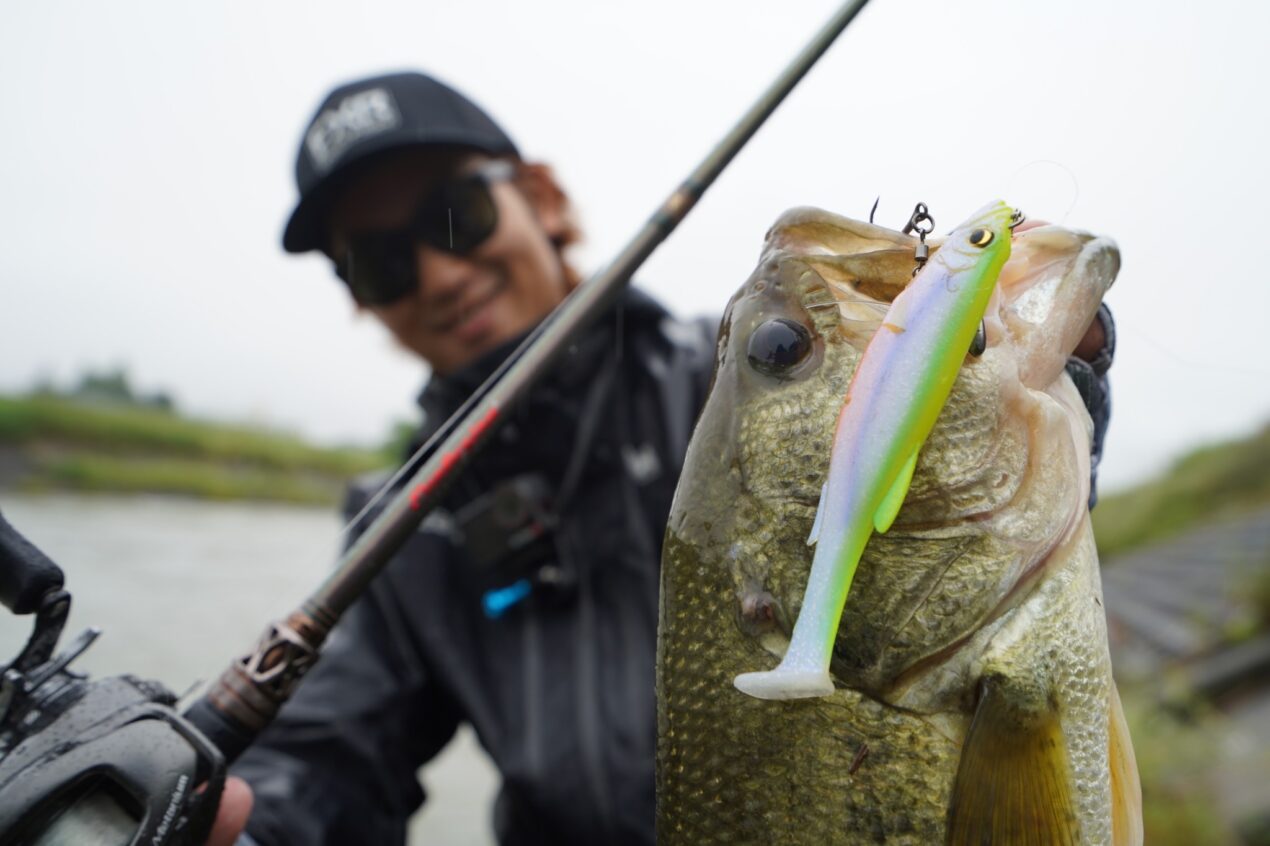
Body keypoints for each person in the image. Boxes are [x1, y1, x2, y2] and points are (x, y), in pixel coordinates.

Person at [210, 71, 1117, 846]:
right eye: (378, 265)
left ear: (545, 200)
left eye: (457, 214)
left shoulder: (707, 386)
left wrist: (1043, 374)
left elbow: (972, 532)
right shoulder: (400, 529)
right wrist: (242, 826)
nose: (439, 275)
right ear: (361, 303)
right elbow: (326, 758)